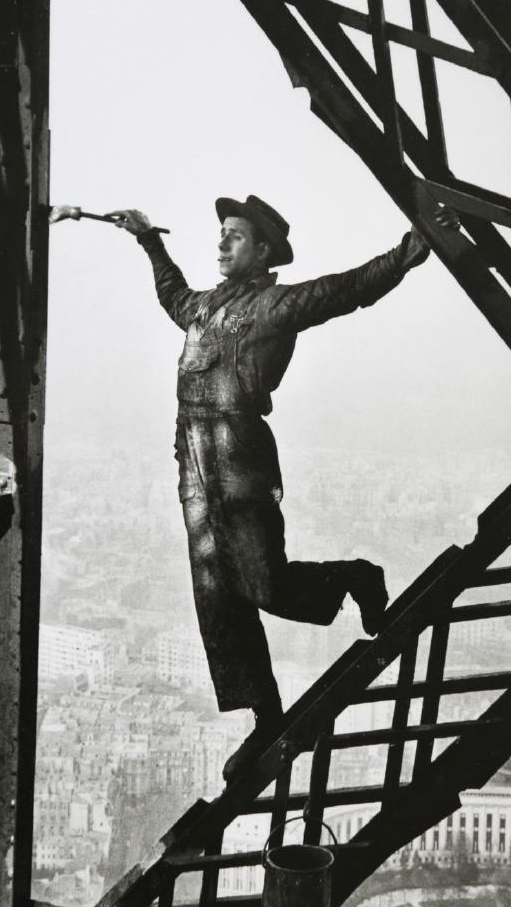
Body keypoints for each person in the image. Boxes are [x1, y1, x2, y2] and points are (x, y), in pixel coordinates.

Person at [106, 195, 458, 781]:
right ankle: (265, 718)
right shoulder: (203, 307)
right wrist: (148, 238)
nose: (222, 243)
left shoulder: (276, 306)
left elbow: (349, 289)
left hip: (240, 464)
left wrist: (410, 249)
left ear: (264, 250)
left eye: (236, 235)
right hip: (195, 468)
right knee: (218, 598)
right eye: (221, 233)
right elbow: (171, 293)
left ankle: (355, 577)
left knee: (265, 584)